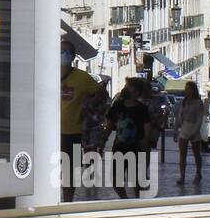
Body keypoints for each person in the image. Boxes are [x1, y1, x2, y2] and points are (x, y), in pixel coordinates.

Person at [59, 40, 101, 202]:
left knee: (71, 170)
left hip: (73, 132)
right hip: (50, 132)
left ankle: (68, 201)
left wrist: (89, 106)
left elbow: (100, 92)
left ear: (73, 56)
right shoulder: (48, 72)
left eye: (67, 51)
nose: (63, 54)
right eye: (61, 51)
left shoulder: (82, 77)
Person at [106, 77, 154, 198]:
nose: (125, 88)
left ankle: (137, 201)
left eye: (129, 86)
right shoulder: (117, 106)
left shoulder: (142, 109)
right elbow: (109, 125)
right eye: (126, 85)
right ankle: (125, 200)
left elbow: (147, 129)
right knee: (116, 179)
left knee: (136, 180)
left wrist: (145, 148)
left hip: (136, 148)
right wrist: (102, 141)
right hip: (119, 147)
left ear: (136, 92)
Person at [176, 81, 205, 186]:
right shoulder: (183, 102)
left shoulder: (198, 103)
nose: (186, 90)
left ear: (193, 90)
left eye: (188, 88)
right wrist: (177, 129)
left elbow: (199, 118)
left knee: (196, 154)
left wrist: (195, 131)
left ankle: (198, 173)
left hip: (194, 128)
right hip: (184, 128)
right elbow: (179, 116)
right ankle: (182, 176)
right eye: (185, 88)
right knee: (182, 154)